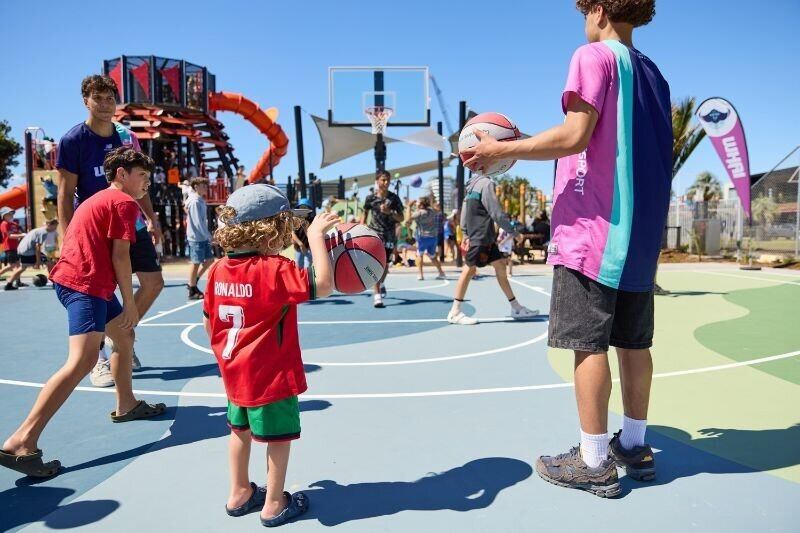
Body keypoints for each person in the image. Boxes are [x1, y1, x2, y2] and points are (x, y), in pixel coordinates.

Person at [463, 0, 671, 497]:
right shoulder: (653, 75)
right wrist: (526, 143)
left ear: (598, 9)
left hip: (594, 232)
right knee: (635, 344)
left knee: (588, 344)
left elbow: (576, 136)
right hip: (638, 233)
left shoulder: (593, 56)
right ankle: (635, 445)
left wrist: (498, 149)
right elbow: (599, 144)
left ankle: (595, 460)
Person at [0, 147, 166, 479]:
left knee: (123, 336)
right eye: (142, 175)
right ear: (122, 174)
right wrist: (130, 302)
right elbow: (121, 256)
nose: (147, 182)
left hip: (88, 282)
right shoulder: (122, 202)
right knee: (82, 361)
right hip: (85, 284)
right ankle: (21, 441)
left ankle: (127, 404)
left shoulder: (99, 199)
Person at [203, 184, 338, 525]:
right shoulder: (274, 268)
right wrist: (316, 235)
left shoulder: (217, 271)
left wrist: (227, 358)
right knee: (278, 440)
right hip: (271, 375)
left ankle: (239, 493)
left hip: (234, 372)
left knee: (239, 432)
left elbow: (209, 322)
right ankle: (274, 504)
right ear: (272, 228)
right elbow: (323, 283)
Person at [56, 74, 165, 386]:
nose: (104, 105)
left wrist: (152, 218)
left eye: (110, 99)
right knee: (100, 290)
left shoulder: (126, 137)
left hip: (129, 219)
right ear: (85, 101)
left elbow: (139, 183)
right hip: (95, 228)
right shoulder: (73, 140)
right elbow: (65, 194)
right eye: (98, 98)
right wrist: (67, 239)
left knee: (153, 283)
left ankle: (120, 339)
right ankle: (99, 357)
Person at [446, 173, 538, 325]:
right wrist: (515, 233)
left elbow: (463, 213)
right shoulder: (486, 183)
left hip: (485, 237)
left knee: (501, 267)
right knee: (468, 270)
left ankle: (516, 308)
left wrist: (465, 233)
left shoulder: (470, 187)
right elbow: (496, 214)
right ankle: (455, 312)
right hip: (480, 236)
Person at [360, 170, 403, 308]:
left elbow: (401, 218)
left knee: (385, 265)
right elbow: (364, 214)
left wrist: (389, 212)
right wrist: (361, 228)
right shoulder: (370, 198)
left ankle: (381, 283)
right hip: (375, 234)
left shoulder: (394, 198)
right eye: (383, 180)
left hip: (389, 234)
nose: (386, 183)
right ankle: (377, 296)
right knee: (375, 265)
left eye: (388, 180)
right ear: (377, 181)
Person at [185, 177, 215, 300]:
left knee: (209, 260)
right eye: (203, 186)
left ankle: (193, 280)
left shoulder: (200, 200)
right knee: (196, 262)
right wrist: (209, 237)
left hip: (202, 237)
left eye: (206, 186)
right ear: (196, 186)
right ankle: (192, 289)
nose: (205, 188)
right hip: (196, 237)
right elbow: (198, 223)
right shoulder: (195, 202)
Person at [6, 219, 59, 286]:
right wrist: (38, 262)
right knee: (50, 263)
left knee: (23, 267)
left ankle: (9, 284)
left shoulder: (39, 230)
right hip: (28, 251)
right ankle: (55, 283)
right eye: (55, 226)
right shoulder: (43, 232)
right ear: (49, 225)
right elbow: (37, 247)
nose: (55, 228)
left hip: (22, 250)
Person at [406, 197, 446, 281]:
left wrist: (409, 206)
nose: (416, 203)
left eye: (417, 202)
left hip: (422, 237)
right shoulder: (432, 211)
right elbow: (438, 209)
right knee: (432, 256)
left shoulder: (419, 213)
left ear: (421, 204)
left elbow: (408, 220)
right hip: (433, 237)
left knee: (419, 254)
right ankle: (441, 273)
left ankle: (420, 275)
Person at [0, 207, 26, 289]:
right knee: (12, 265)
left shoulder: (14, 224)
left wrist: (23, 234)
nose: (11, 215)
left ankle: (18, 282)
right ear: (4, 216)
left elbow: (19, 232)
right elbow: (9, 236)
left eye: (12, 213)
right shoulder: (4, 224)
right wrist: (21, 235)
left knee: (18, 265)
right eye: (8, 214)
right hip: (9, 247)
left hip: (16, 247)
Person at [291, 198, 315, 269]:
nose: (303, 210)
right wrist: (300, 244)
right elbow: (293, 233)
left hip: (309, 248)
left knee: (308, 267)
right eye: (301, 208)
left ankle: (306, 279)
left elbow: (311, 235)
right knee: (299, 266)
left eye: (305, 208)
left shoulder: (312, 220)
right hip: (299, 248)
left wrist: (305, 228)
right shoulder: (296, 220)